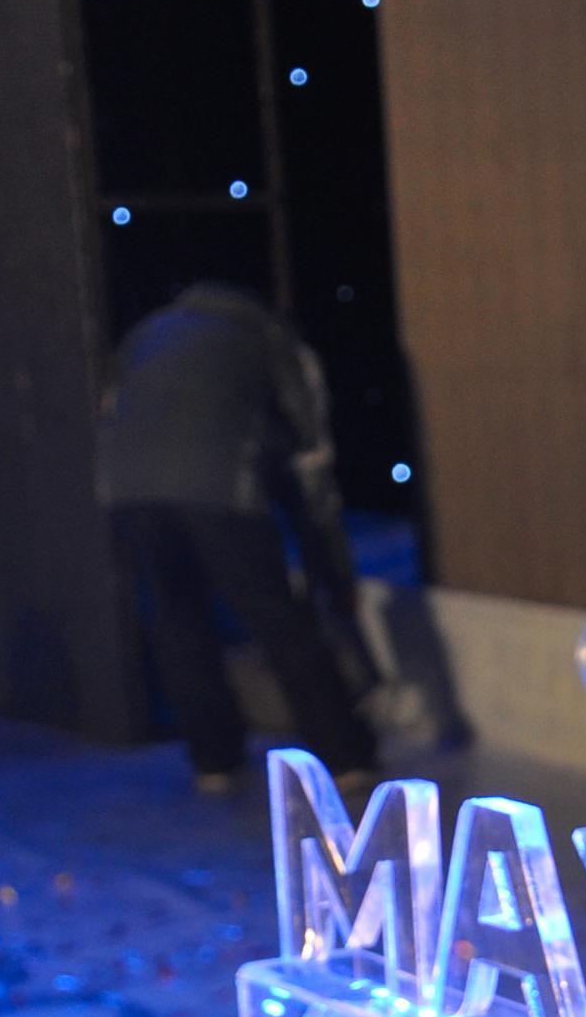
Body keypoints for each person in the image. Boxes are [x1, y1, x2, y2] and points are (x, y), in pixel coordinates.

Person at [95, 282, 378, 792]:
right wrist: (332, 568)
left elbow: (111, 408)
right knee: (277, 615)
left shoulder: (147, 333)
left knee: (177, 618)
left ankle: (214, 760)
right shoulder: (268, 337)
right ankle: (343, 754)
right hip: (220, 487)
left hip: (130, 491)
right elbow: (310, 450)